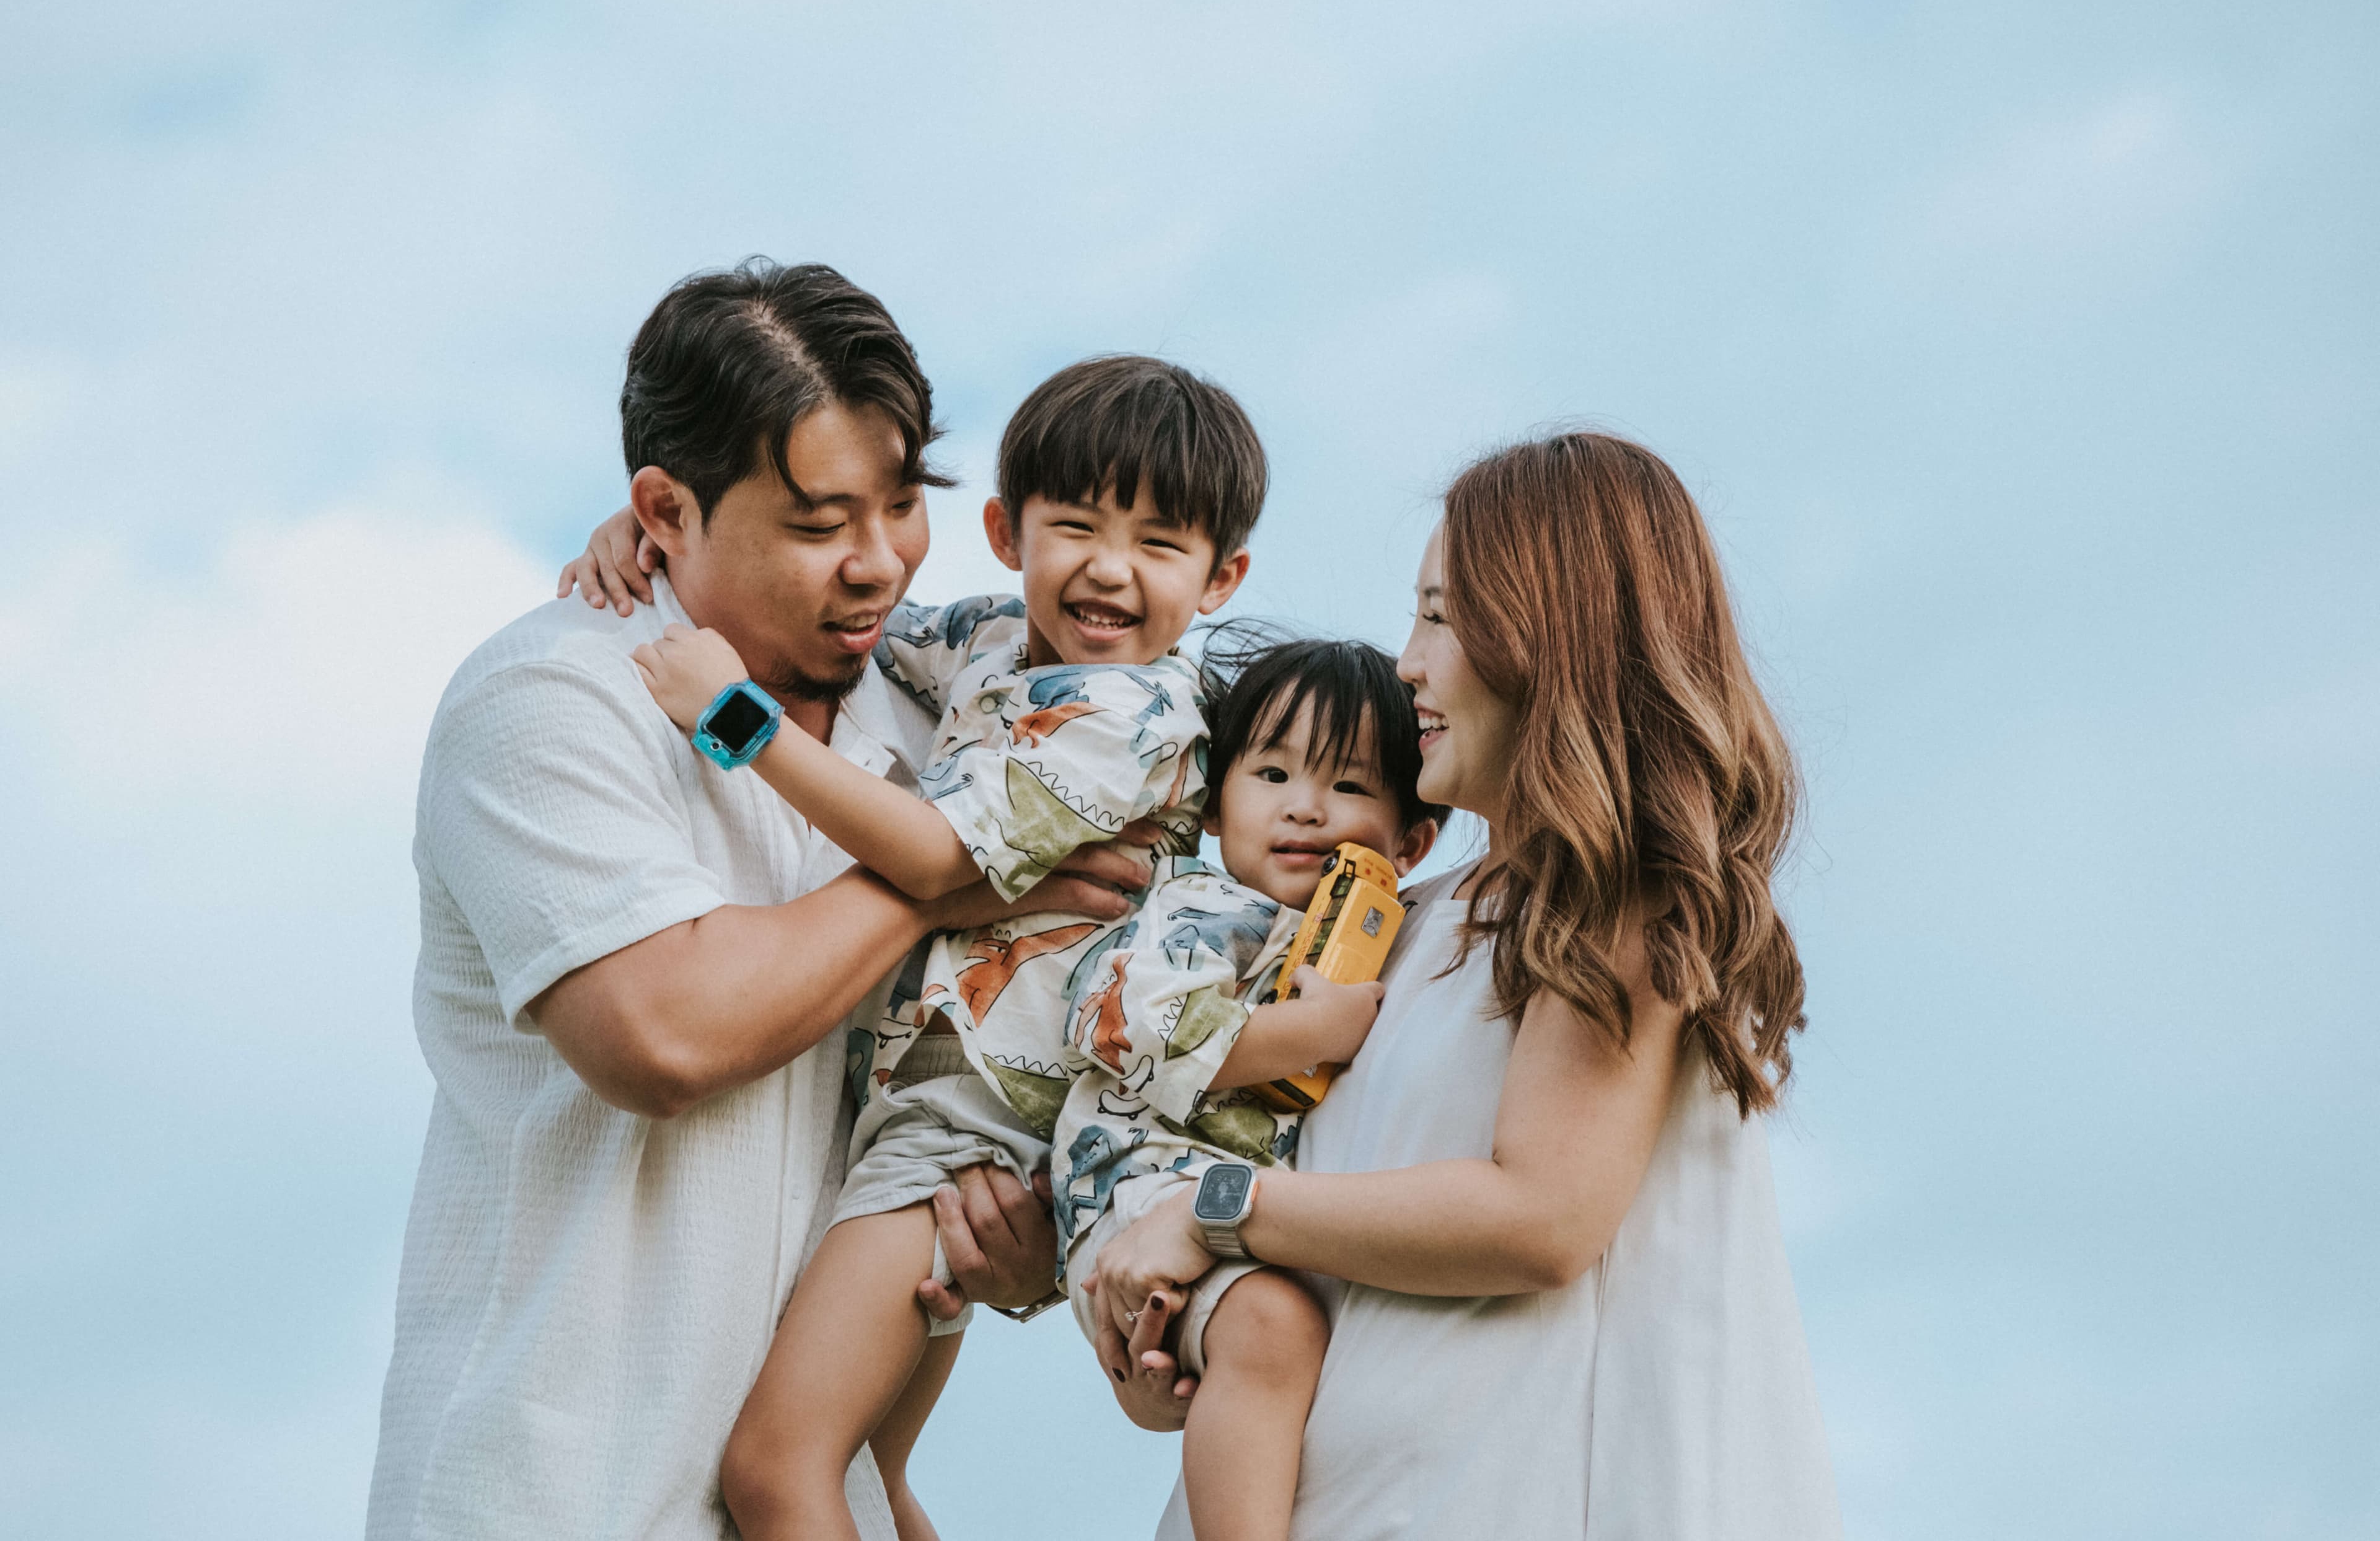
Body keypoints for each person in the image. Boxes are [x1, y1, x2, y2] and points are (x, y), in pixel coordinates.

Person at [367, 260, 1135, 1541]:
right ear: (662, 509)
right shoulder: (553, 700)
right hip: (560, 1498)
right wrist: (958, 869)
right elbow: (667, 1033)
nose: (879, 560)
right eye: (818, 520)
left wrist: (1016, 1254)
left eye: (904, 503)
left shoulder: (954, 710)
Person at [604, 360, 1433, 1541]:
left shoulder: (1133, 720)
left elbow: (938, 856)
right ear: (1005, 532)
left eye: (1159, 543)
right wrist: (657, 535)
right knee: (870, 1486)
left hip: (969, 1121)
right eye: (1076, 525)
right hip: (942, 1105)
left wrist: (728, 718)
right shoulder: (995, 642)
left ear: (1221, 577)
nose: (1109, 567)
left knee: (777, 1471)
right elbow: (871, 635)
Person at [1093, 431, 1844, 1539]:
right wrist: (1159, 1322)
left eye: (1440, 615)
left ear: (1550, 632)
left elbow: (1540, 1217)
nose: (1406, 662)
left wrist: (1218, 1216)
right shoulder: (1399, 926)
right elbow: (1330, 1251)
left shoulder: (1623, 895)